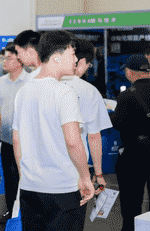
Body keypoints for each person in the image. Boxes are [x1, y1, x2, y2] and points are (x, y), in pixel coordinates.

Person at [12, 31, 94, 231]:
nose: (76, 59)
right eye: (72, 53)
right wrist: (85, 177)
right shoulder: (64, 92)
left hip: (30, 188)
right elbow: (73, 141)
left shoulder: (23, 91)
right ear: (56, 57)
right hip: (61, 189)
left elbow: (17, 139)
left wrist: (25, 177)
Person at [60, 39, 112, 193]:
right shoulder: (89, 91)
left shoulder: (39, 85)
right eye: (88, 65)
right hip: (75, 170)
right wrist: (98, 174)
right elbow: (94, 136)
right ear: (81, 61)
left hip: (40, 171)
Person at [110, 54, 150, 231]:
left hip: (134, 154)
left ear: (130, 72)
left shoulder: (126, 96)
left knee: (131, 202)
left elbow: (118, 123)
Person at [0, 42, 27, 224]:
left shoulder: (30, 82)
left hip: (26, 143)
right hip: (6, 141)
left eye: (8, 58)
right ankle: (11, 212)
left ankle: (26, 215)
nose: (4, 61)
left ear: (20, 60)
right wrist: (3, 136)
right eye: (3, 58)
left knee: (25, 179)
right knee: (10, 179)